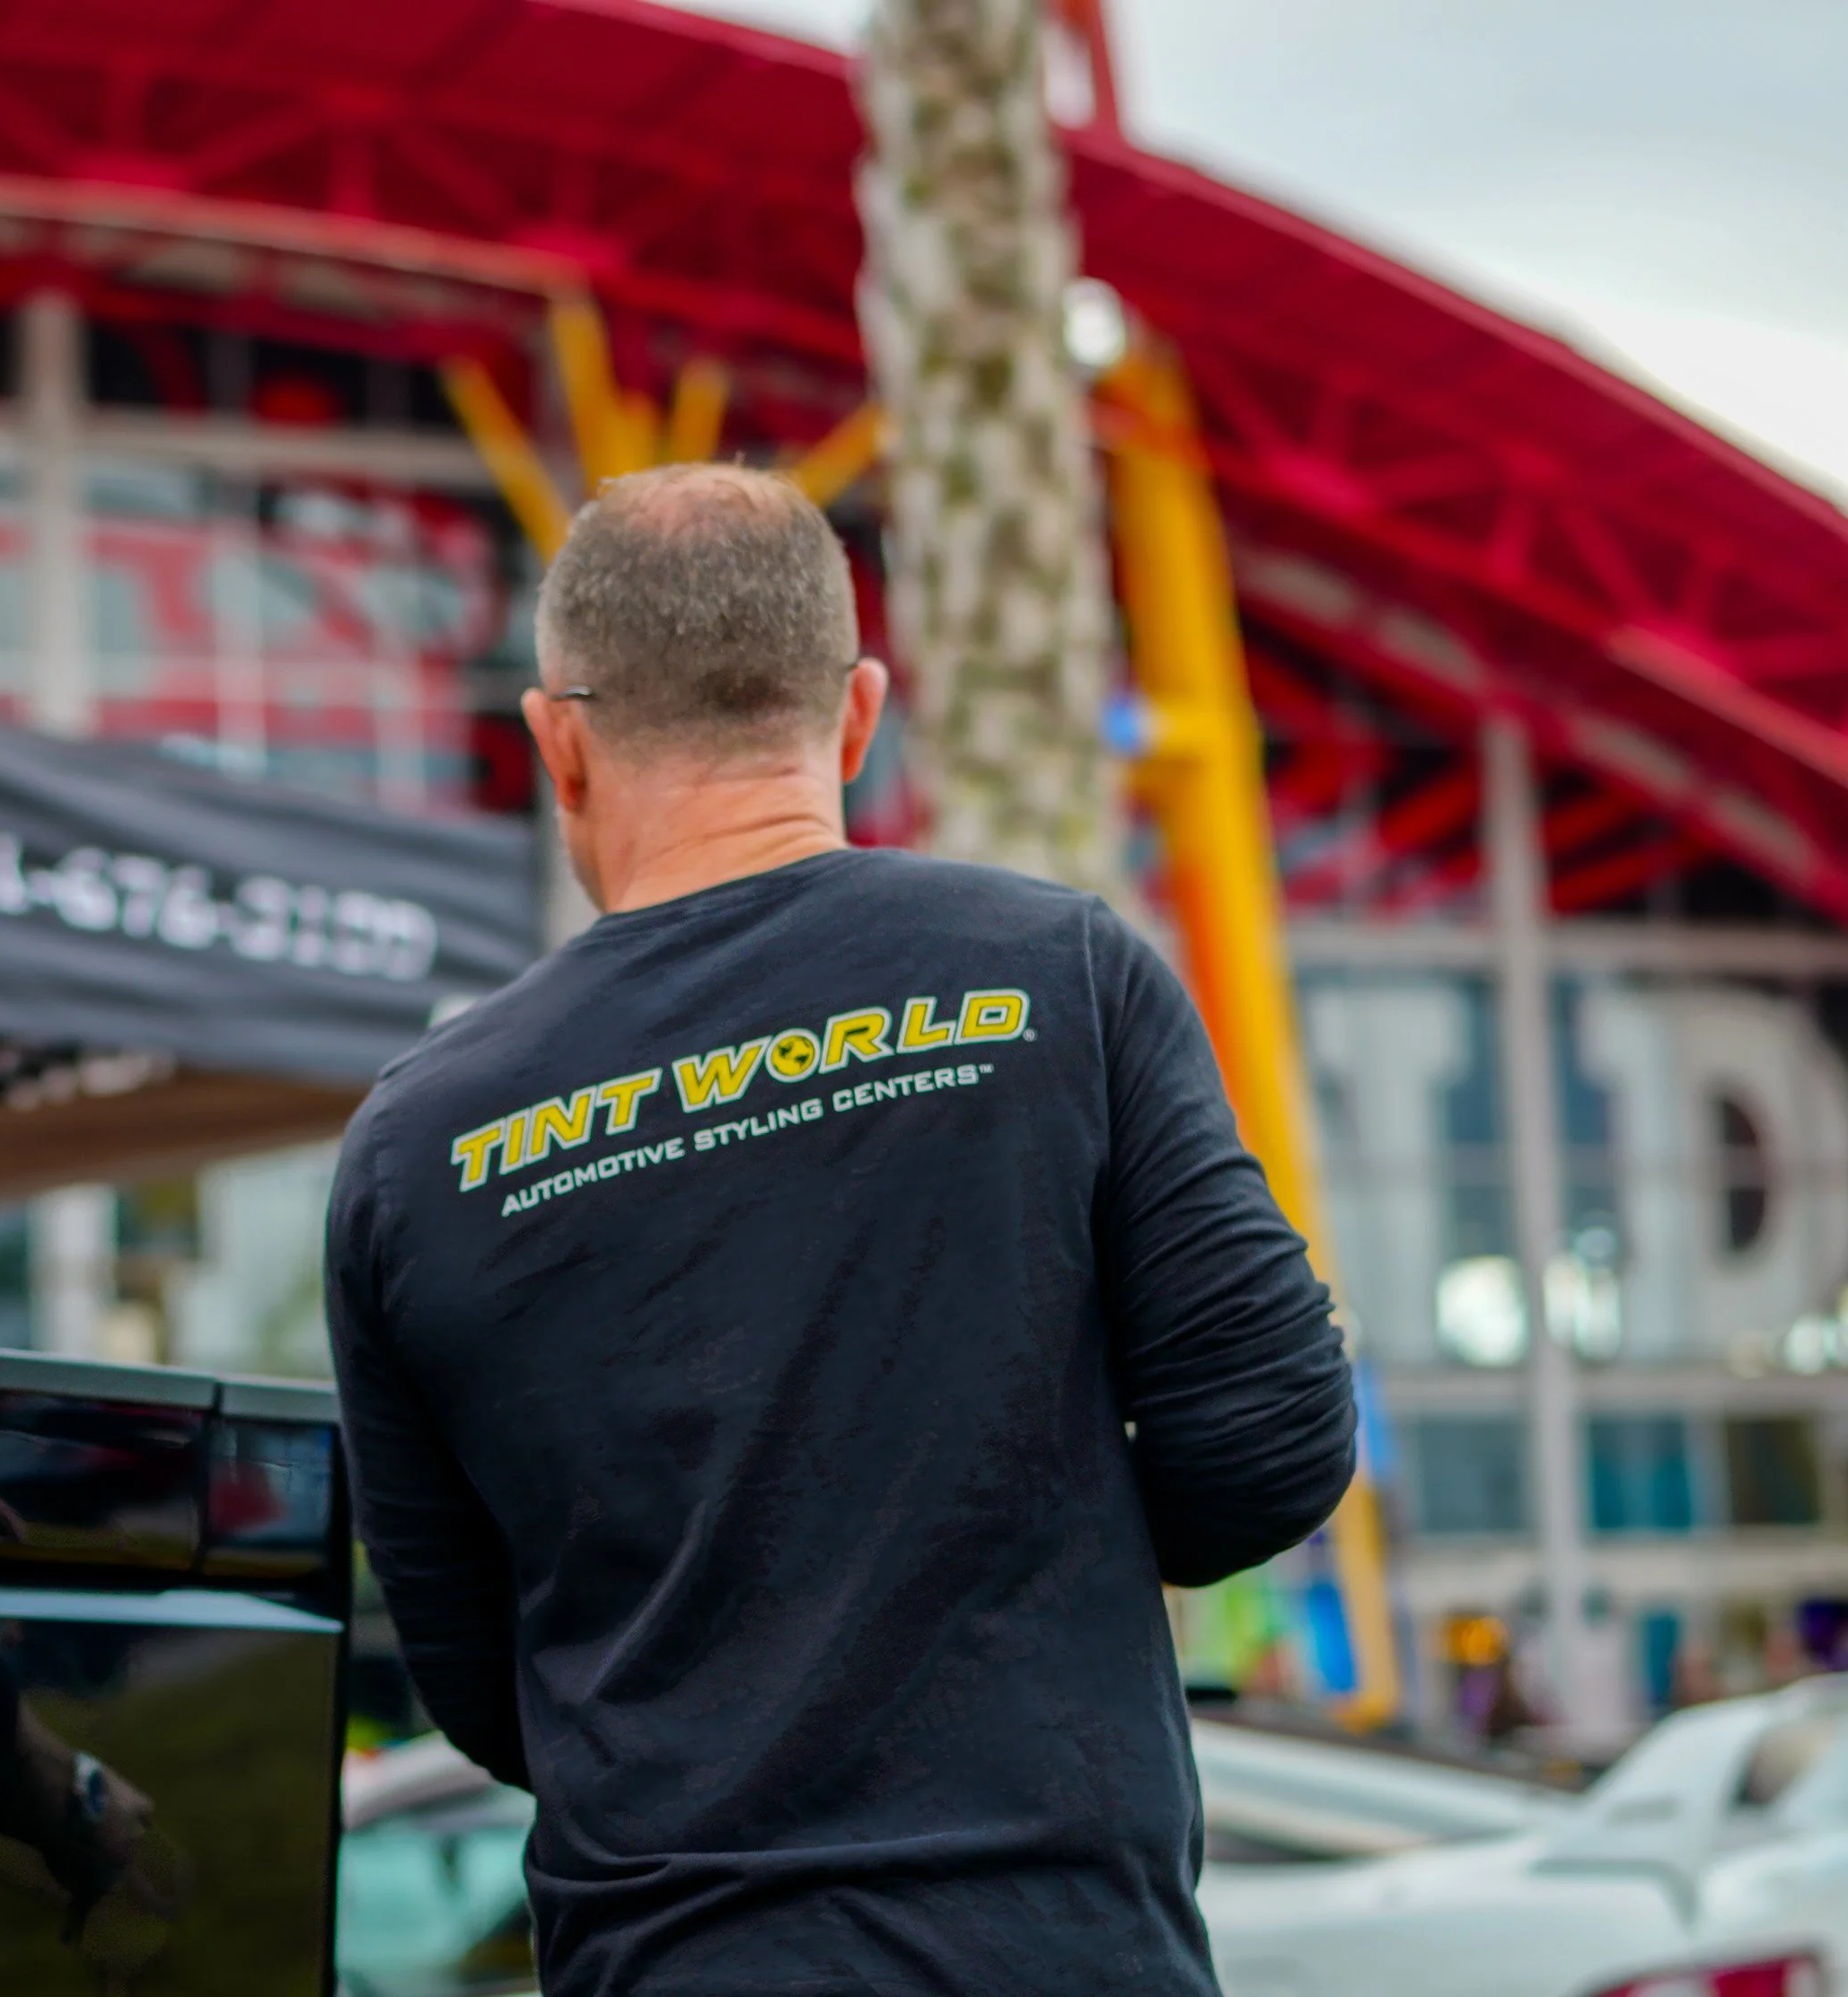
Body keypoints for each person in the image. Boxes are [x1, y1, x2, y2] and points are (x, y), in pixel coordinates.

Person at [326, 463, 1356, 1997]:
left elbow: (478, 1674)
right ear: (858, 713)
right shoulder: (1059, 977)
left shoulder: (419, 1146)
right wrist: (1024, 1572)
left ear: (561, 743)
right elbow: (1267, 1448)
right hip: (1059, 1955)